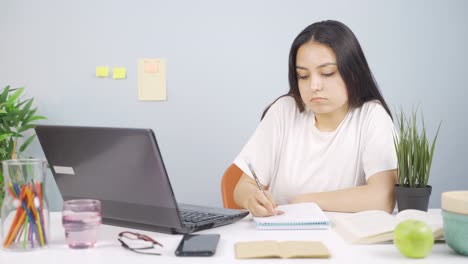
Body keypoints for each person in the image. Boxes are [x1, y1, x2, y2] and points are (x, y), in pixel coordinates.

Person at [233, 20, 397, 217]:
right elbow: (242, 187)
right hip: (281, 238)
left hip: (344, 241)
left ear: (353, 72)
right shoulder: (284, 111)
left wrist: (306, 201)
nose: (314, 86)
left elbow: (383, 197)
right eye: (303, 76)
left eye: (327, 73)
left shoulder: (371, 117)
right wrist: (251, 197)